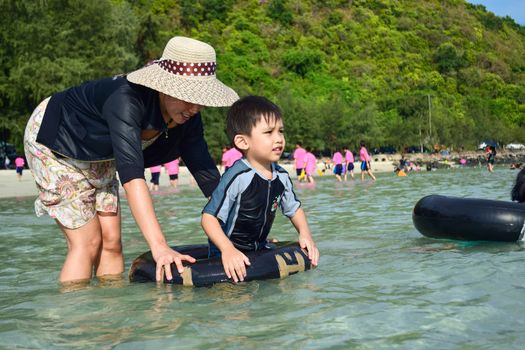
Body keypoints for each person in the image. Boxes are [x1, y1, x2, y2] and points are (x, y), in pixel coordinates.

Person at [23, 36, 239, 283]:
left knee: (112, 242)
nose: (195, 107)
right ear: (164, 87)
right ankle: (76, 319)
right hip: (55, 141)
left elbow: (208, 176)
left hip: (99, 155)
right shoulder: (127, 99)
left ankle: (110, 314)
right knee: (87, 242)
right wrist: (159, 246)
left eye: (201, 100)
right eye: (189, 97)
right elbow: (132, 176)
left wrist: (244, 230)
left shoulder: (188, 117)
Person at [201, 96, 319, 283]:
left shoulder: (281, 176)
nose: (279, 138)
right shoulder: (238, 176)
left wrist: (305, 234)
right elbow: (209, 218)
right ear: (242, 142)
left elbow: (294, 209)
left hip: (258, 248)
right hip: (226, 250)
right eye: (269, 132)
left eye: (281, 131)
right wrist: (227, 250)